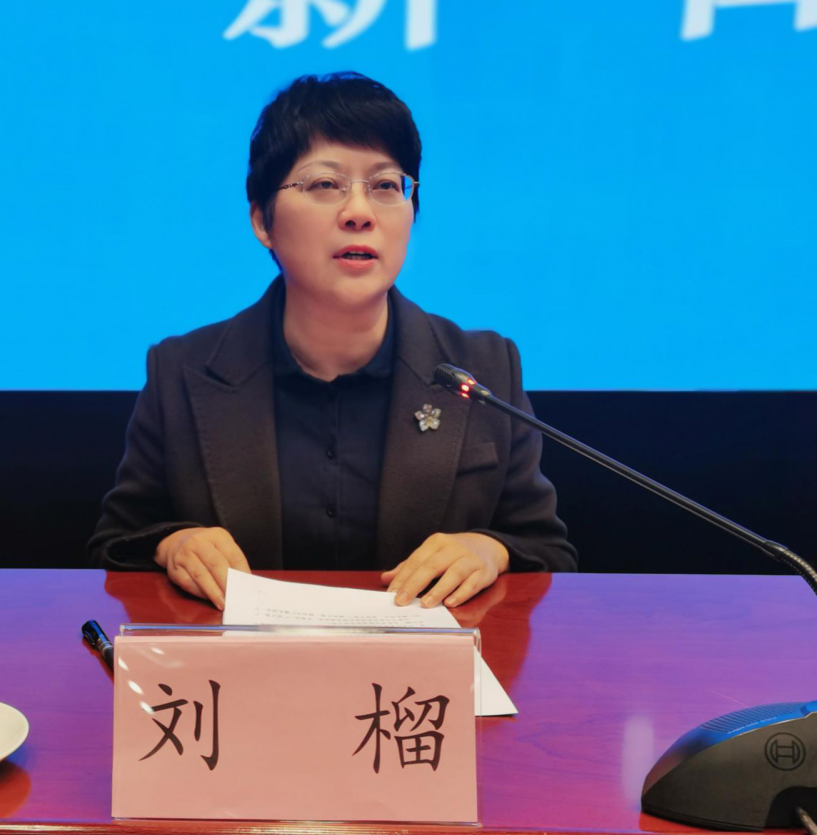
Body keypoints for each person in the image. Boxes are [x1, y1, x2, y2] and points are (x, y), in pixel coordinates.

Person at [88, 72, 575, 610]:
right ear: (262, 220)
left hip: (421, 664)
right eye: (324, 185)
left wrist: (490, 550)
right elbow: (117, 542)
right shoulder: (183, 371)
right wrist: (172, 543)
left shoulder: (482, 368)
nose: (360, 213)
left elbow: (547, 550)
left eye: (386, 185)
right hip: (245, 660)